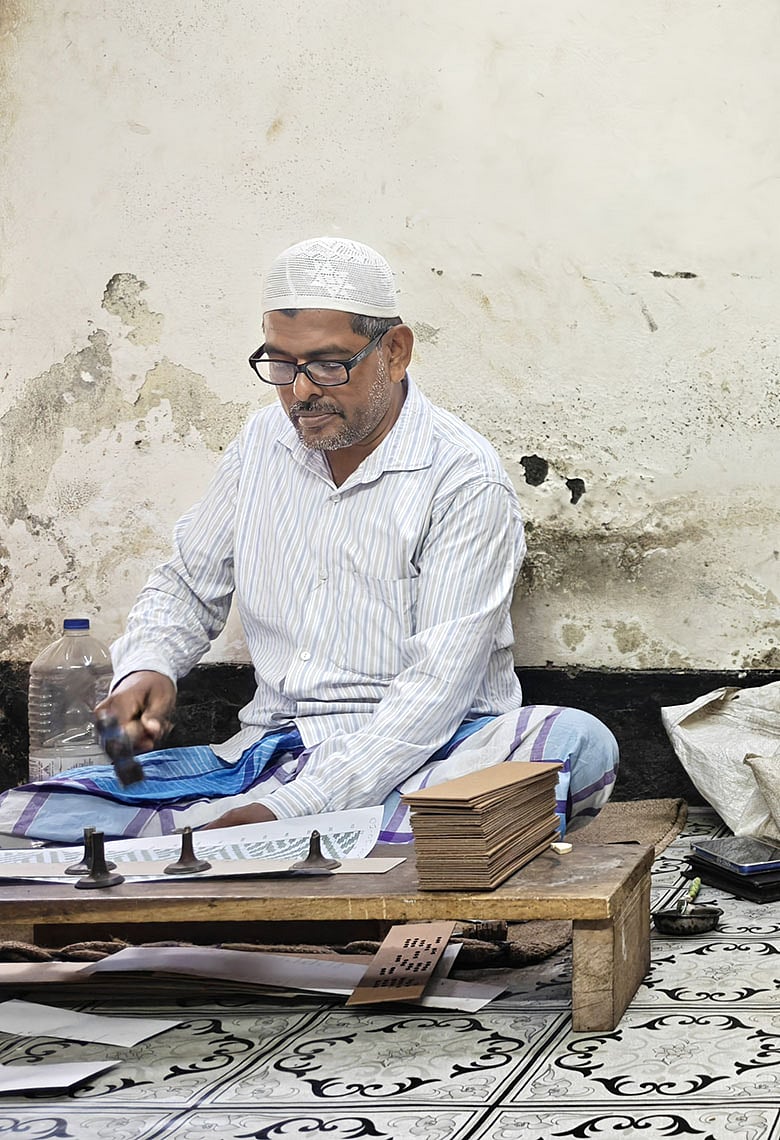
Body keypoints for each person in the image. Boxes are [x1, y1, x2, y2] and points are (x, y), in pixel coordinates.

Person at [0, 237, 618, 844]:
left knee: (572, 742)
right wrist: (148, 667)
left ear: (396, 351)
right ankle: (296, 845)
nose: (300, 391)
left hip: (429, 754)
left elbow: (437, 691)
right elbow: (188, 584)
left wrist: (294, 807)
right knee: (31, 813)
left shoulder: (462, 476)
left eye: (328, 364)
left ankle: (251, 841)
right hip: (267, 754)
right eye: (281, 364)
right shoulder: (263, 441)